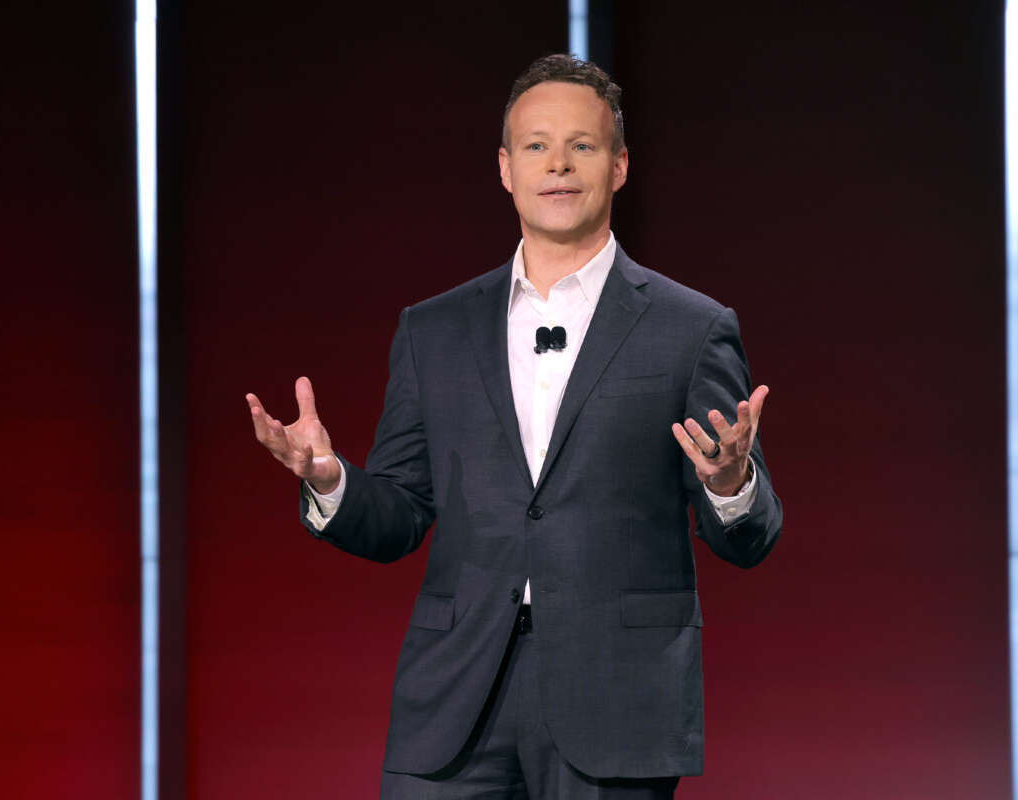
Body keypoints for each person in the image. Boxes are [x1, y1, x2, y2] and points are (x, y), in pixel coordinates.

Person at [246, 54, 782, 800]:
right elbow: (400, 516)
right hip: (454, 701)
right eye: (535, 145)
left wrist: (730, 485)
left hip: (616, 701)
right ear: (505, 168)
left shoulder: (691, 329)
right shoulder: (433, 329)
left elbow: (749, 538)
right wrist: (331, 480)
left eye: (582, 145)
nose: (557, 163)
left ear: (620, 165)